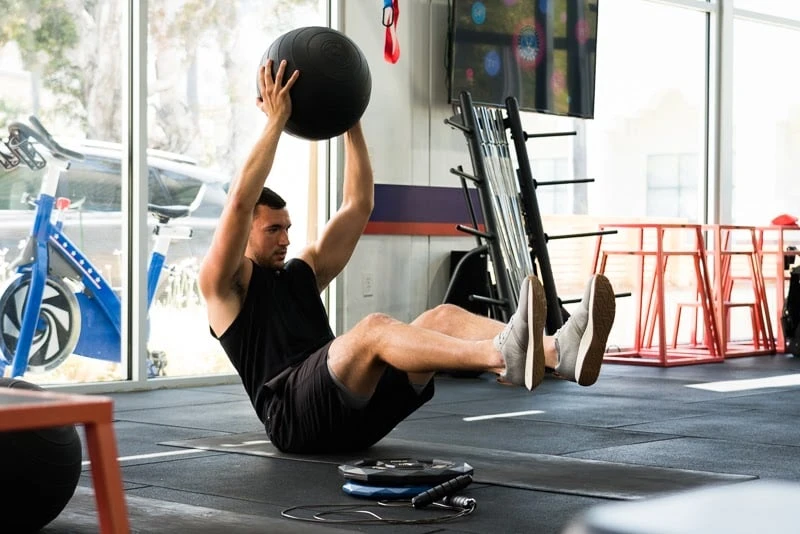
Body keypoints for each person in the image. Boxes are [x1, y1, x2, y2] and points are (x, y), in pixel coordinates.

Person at [198, 59, 617, 454]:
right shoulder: (224, 288)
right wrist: (276, 121)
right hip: (294, 417)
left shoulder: (300, 273)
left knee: (443, 317)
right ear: (246, 232)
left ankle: (558, 352)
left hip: (357, 413)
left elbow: (358, 205)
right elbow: (239, 203)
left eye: (288, 228)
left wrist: (350, 119)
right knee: (373, 329)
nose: (286, 239)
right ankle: (501, 355)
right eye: (273, 230)